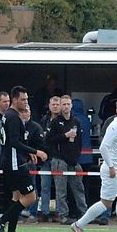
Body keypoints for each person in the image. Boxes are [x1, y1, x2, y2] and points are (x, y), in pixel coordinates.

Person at [71, 98, 117, 232]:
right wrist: (111, 166)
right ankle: (79, 225)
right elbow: (103, 147)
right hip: (112, 169)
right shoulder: (115, 126)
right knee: (106, 203)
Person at [0, 85, 48, 232]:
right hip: (15, 163)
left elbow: (13, 140)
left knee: (17, 196)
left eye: (27, 99)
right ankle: (0, 221)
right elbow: (14, 142)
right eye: (22, 99)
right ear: (14, 100)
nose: (25, 102)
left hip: (11, 161)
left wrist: (28, 153)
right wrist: (36, 151)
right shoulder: (14, 117)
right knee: (31, 197)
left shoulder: (9, 115)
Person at [47, 94, 88, 223]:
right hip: (59, 160)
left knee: (79, 188)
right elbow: (49, 140)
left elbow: (79, 141)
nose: (66, 106)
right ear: (60, 106)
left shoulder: (76, 122)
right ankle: (63, 215)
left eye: (68, 104)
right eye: (63, 104)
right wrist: (65, 135)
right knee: (61, 190)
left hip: (73, 160)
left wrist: (76, 156)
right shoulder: (55, 122)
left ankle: (85, 214)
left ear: (71, 105)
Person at [37, 96, 62, 221]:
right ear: (49, 105)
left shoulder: (64, 120)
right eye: (53, 104)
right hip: (45, 157)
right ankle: (44, 211)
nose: (55, 106)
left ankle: (59, 211)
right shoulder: (44, 119)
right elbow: (40, 137)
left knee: (59, 187)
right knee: (44, 186)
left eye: (57, 104)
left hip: (58, 157)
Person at [21, 106, 47, 221]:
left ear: (30, 113)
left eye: (26, 111)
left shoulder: (36, 127)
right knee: (18, 188)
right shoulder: (15, 125)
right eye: (21, 112)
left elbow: (41, 145)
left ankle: (33, 212)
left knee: (32, 187)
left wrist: (32, 154)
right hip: (18, 161)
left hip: (31, 162)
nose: (24, 114)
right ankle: (19, 212)